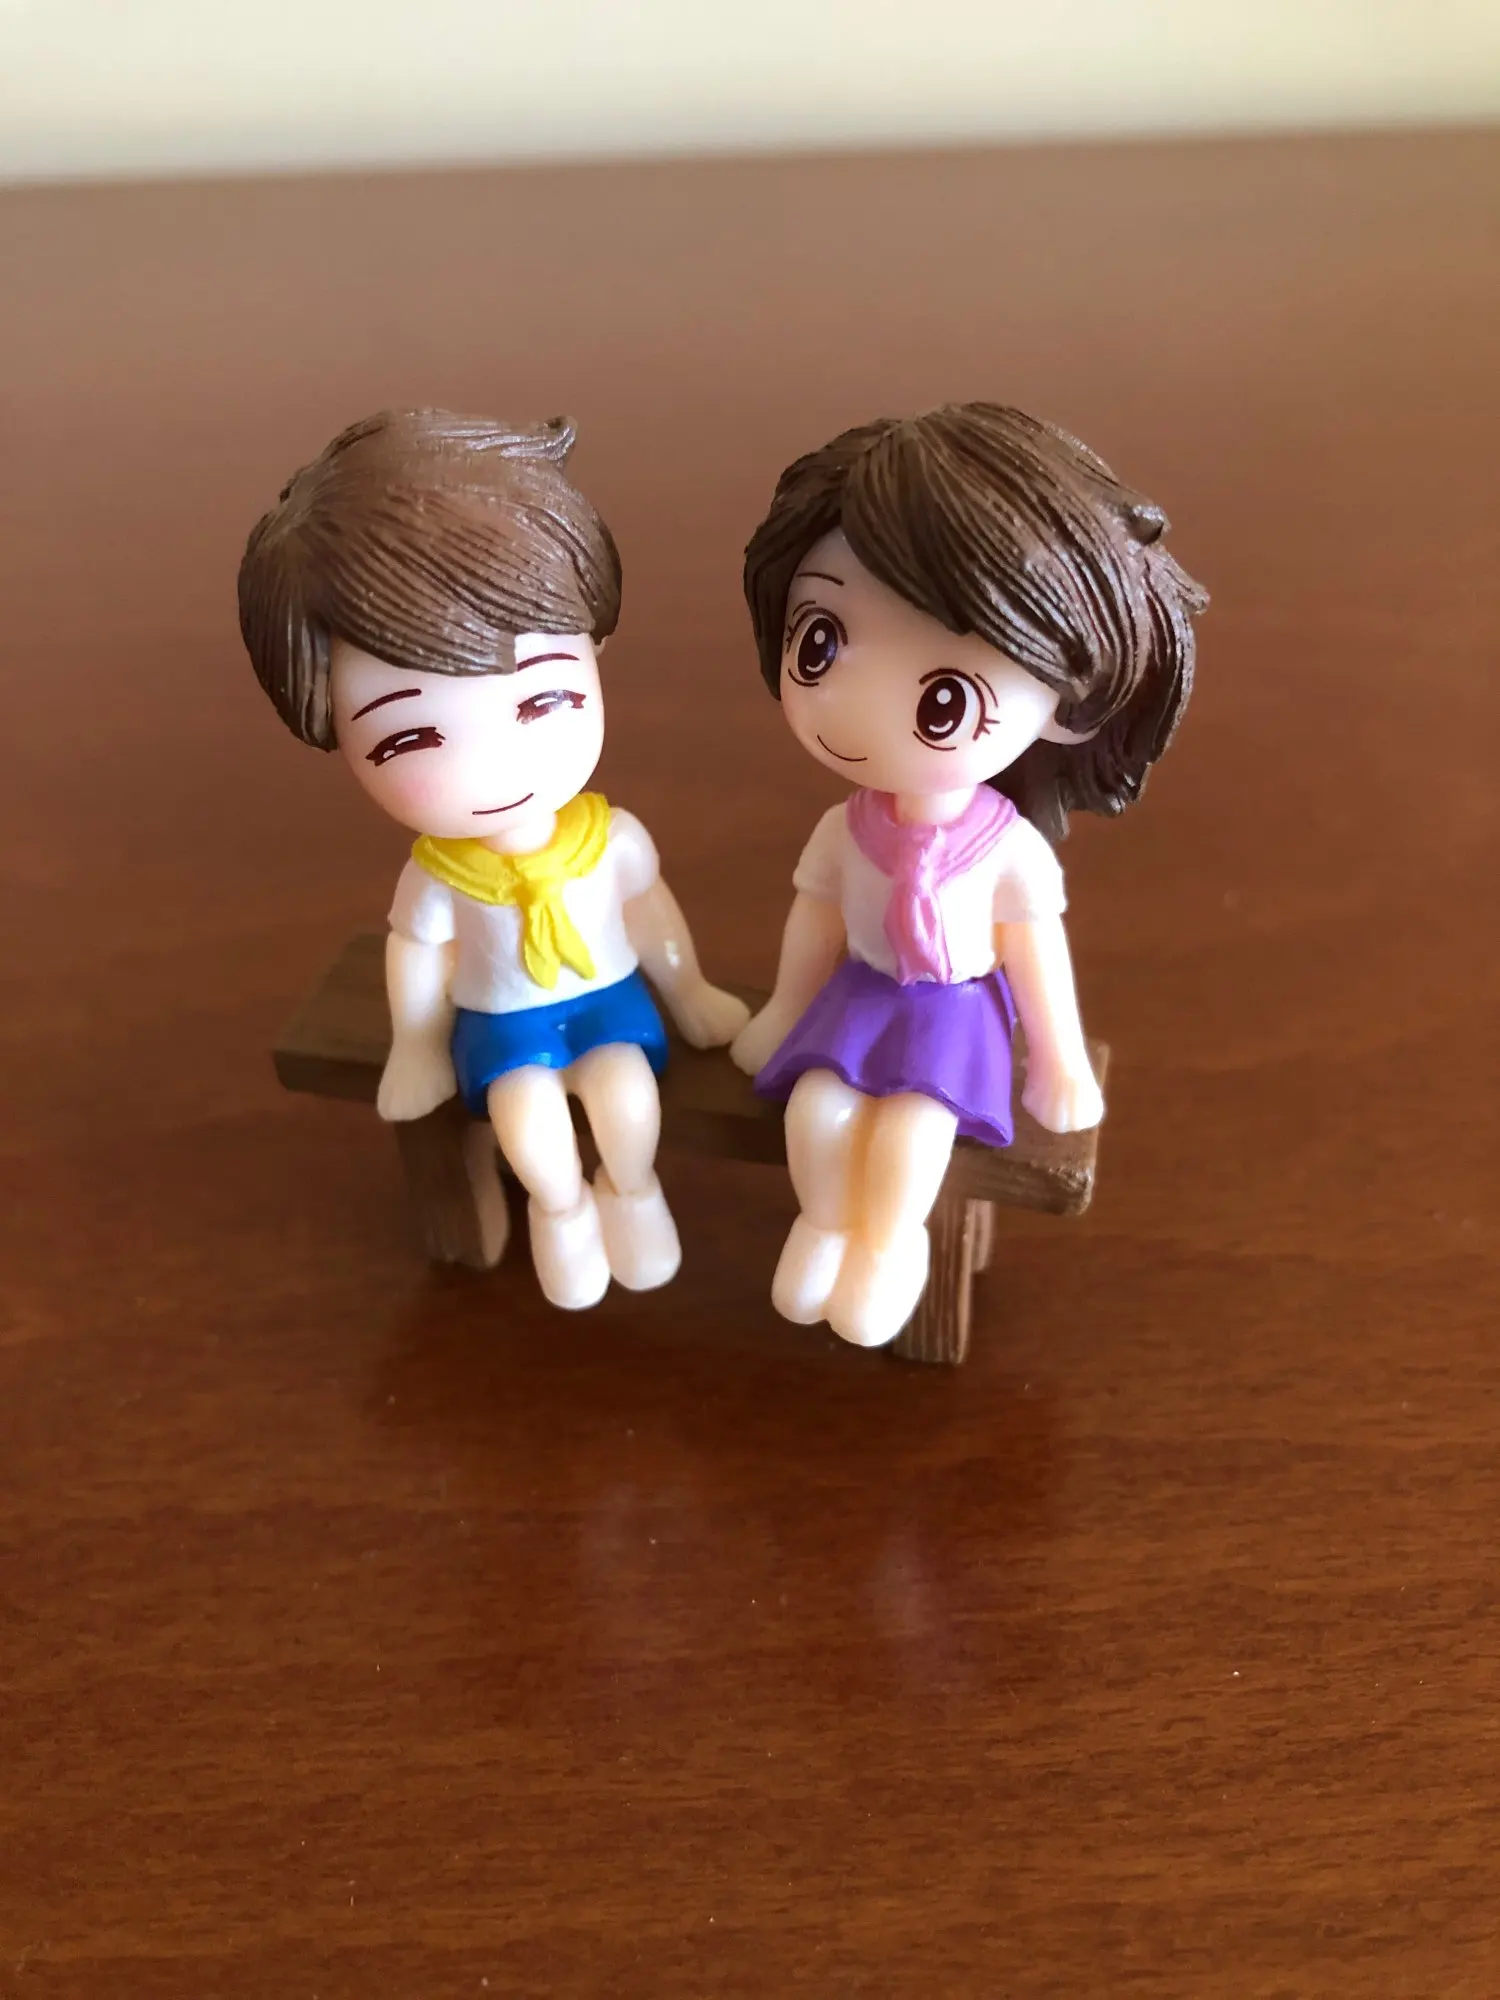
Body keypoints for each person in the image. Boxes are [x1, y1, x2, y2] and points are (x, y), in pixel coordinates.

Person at [239, 408, 748, 1310]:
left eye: (543, 700)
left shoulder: (610, 840)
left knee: (628, 1097)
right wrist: (417, 1047)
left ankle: (633, 1193)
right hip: (504, 1021)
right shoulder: (440, 877)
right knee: (525, 1120)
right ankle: (561, 1213)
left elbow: (648, 911)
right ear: (334, 734)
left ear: (595, 653)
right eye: (409, 737)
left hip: (606, 999)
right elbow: (417, 954)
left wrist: (691, 989)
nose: (494, 766)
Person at [731, 403, 1207, 1347]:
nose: (853, 708)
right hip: (862, 998)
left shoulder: (1008, 851)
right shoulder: (845, 830)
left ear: (1064, 705)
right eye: (819, 642)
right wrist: (785, 1010)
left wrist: (1059, 1060)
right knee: (817, 1114)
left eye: (944, 698)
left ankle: (888, 1247)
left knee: (913, 1134)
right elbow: (814, 922)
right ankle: (823, 1226)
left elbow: (1035, 958)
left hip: (951, 1018)